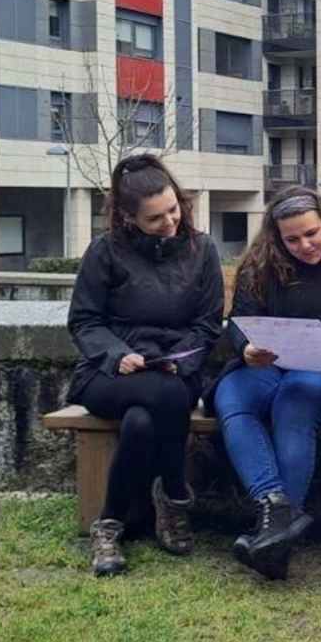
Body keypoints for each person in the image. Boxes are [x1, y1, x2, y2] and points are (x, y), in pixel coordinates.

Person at [206, 186, 321, 580]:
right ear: (277, 238)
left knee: (295, 400)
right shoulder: (260, 264)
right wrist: (247, 348)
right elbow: (239, 320)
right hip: (269, 364)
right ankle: (276, 513)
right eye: (293, 239)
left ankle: (270, 534)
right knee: (231, 395)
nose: (305, 245)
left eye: (312, 234)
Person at [66, 154, 224, 577]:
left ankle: (109, 526)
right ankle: (174, 495)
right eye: (155, 218)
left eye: (173, 209)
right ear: (127, 217)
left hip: (176, 369)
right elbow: (83, 321)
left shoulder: (203, 249)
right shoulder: (105, 252)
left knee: (141, 421)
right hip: (109, 374)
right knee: (163, 396)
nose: (169, 222)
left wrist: (182, 358)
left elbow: (209, 324)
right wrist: (118, 356)